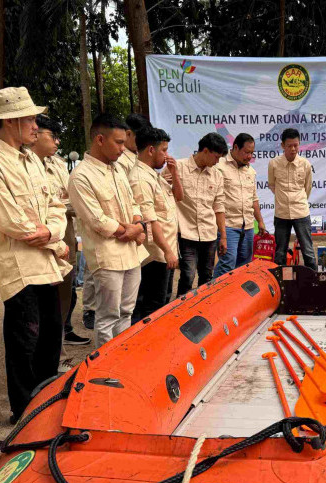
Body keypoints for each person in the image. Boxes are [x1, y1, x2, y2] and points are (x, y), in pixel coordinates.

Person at [0, 87, 71, 424]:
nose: (36, 126)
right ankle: (24, 410)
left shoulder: (32, 160)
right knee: (25, 338)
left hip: (45, 262)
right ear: (9, 121)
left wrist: (52, 233)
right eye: (30, 119)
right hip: (19, 266)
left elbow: (57, 204)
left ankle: (44, 400)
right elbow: (14, 224)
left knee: (51, 335)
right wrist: (55, 238)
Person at [68, 114, 146, 348]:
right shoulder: (81, 176)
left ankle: (122, 359)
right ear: (100, 139)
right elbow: (98, 221)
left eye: (124, 142)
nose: (123, 149)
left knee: (126, 312)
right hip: (108, 255)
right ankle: (104, 369)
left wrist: (138, 223)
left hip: (132, 253)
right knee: (108, 316)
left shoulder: (118, 170)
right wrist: (133, 231)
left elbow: (133, 202)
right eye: (119, 142)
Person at [30, 114, 91, 370]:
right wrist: (61, 204)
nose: (56, 142)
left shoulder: (56, 163)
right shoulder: (25, 164)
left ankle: (59, 346)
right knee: (43, 298)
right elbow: (53, 203)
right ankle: (50, 356)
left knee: (65, 290)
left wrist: (61, 204)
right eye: (51, 136)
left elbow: (69, 198)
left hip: (64, 233)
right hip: (41, 236)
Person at [129, 127, 183, 322]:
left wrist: (175, 173)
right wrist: (167, 251)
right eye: (164, 150)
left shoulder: (153, 175)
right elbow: (150, 221)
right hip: (154, 254)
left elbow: (179, 197)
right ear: (151, 150)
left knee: (161, 301)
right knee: (150, 305)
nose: (167, 155)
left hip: (165, 250)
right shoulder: (140, 179)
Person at [164, 132, 227, 297]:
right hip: (186, 232)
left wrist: (224, 236)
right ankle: (181, 310)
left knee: (207, 276)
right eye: (216, 157)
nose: (217, 162)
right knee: (187, 274)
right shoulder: (177, 167)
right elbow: (163, 196)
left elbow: (219, 207)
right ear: (205, 151)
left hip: (209, 234)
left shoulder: (217, 175)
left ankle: (203, 309)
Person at [212, 133, 267, 278]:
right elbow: (216, 200)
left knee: (244, 265)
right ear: (235, 147)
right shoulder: (219, 166)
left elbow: (254, 199)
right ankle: (217, 297)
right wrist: (222, 233)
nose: (249, 156)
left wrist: (260, 221)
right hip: (229, 225)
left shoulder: (251, 171)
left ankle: (237, 298)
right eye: (246, 152)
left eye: (252, 153)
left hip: (248, 226)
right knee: (227, 264)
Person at [268, 128, 317, 270]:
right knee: (280, 253)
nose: (293, 149)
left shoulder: (305, 164)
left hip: (301, 213)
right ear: (282, 145)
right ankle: (280, 287)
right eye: (289, 145)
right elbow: (272, 185)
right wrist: (283, 199)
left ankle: (314, 284)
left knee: (308, 252)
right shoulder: (273, 164)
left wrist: (298, 200)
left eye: (296, 145)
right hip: (281, 214)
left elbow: (307, 188)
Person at [116, 113, 150, 177]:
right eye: (142, 138)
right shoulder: (120, 160)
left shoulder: (139, 153)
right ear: (128, 134)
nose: (145, 142)